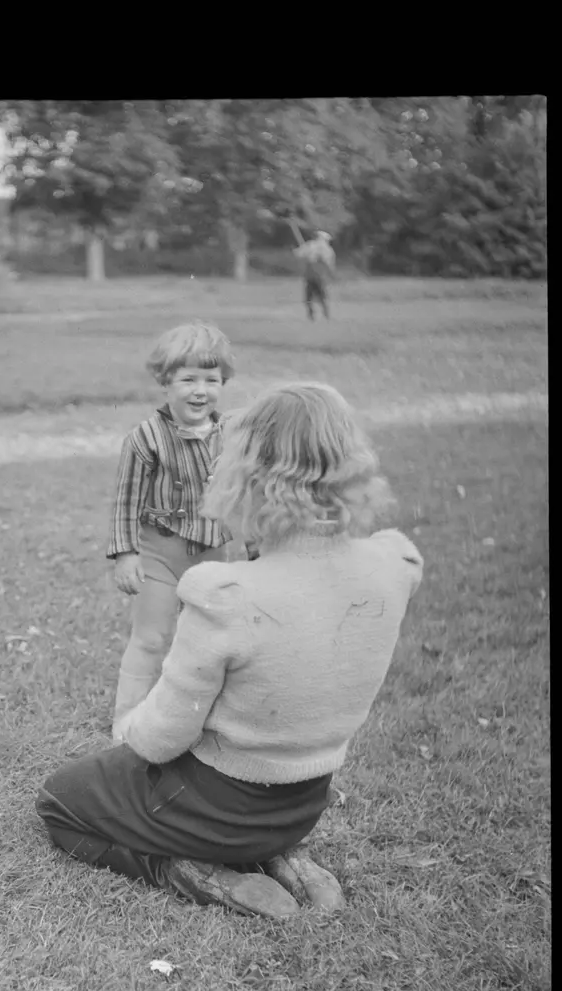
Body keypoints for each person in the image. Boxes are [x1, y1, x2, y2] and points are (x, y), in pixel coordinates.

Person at [38, 382, 424, 919]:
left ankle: (182, 869)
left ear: (249, 478)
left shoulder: (226, 594)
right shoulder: (394, 564)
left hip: (217, 803)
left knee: (59, 799)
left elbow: (162, 739)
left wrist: (128, 729)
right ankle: (280, 855)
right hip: (303, 804)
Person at [106, 321, 244, 743]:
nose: (200, 391)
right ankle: (126, 723)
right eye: (188, 380)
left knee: (208, 642)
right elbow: (126, 500)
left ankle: (197, 719)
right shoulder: (144, 439)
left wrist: (254, 545)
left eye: (211, 380)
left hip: (212, 556)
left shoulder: (231, 435)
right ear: (166, 382)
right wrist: (126, 554)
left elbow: (245, 492)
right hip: (160, 553)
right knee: (150, 639)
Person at [294, 231, 335, 320]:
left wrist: (304, 253)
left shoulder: (309, 245)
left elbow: (298, 254)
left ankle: (312, 314)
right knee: (321, 297)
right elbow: (328, 263)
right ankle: (325, 314)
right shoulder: (325, 248)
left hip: (310, 275)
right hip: (318, 275)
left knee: (310, 297)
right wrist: (331, 274)